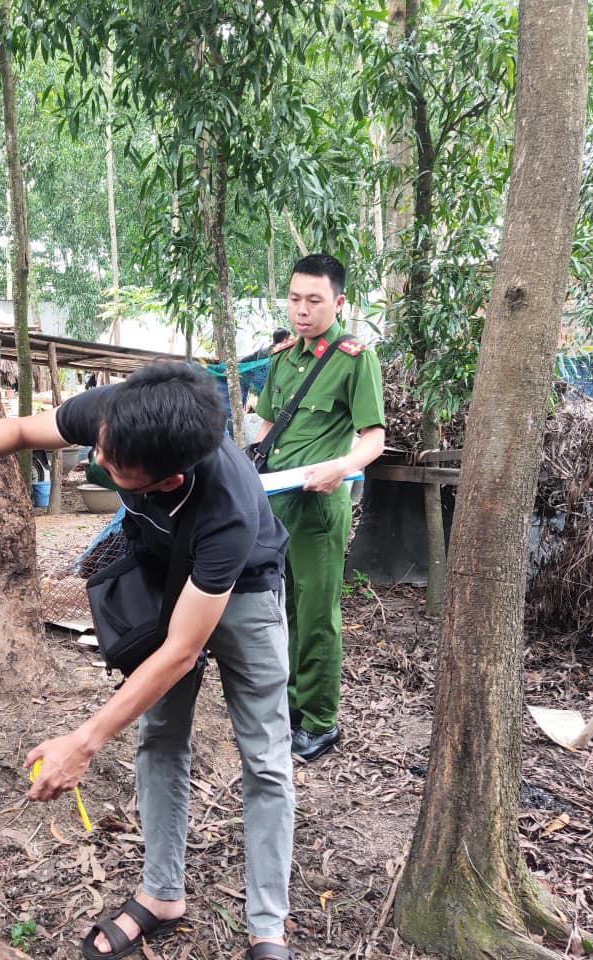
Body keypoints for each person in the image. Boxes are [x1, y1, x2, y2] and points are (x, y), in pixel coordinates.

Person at [0, 363, 297, 960]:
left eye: (113, 473)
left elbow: (181, 653)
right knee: (160, 737)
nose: (99, 465)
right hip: (167, 576)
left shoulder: (228, 510)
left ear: (165, 482)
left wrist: (82, 742)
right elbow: (20, 434)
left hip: (243, 592)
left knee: (264, 755)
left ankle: (268, 926)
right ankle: (163, 893)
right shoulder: (121, 415)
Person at [254, 254, 385, 761]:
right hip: (274, 505)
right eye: (294, 298)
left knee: (316, 615)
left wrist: (342, 468)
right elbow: (265, 431)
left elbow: (374, 438)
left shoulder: (354, 359)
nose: (301, 310)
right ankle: (287, 707)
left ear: (339, 302)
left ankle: (320, 721)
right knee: (279, 609)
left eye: (314, 299)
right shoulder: (283, 357)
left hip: (319, 507)